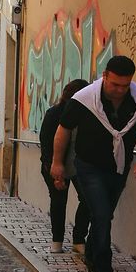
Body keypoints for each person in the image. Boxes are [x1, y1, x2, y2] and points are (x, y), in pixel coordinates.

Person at [50, 55, 136, 272]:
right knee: (101, 214)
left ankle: (91, 254)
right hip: (88, 166)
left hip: (119, 168)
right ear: (105, 76)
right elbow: (63, 130)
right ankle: (105, 269)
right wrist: (57, 163)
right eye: (115, 84)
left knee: (104, 214)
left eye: (125, 85)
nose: (120, 90)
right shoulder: (84, 99)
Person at [39, 79, 90, 254]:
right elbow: (46, 144)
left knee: (88, 200)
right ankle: (57, 241)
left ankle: (78, 239)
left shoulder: (87, 115)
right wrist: (54, 172)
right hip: (54, 166)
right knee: (59, 201)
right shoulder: (54, 114)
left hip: (79, 167)